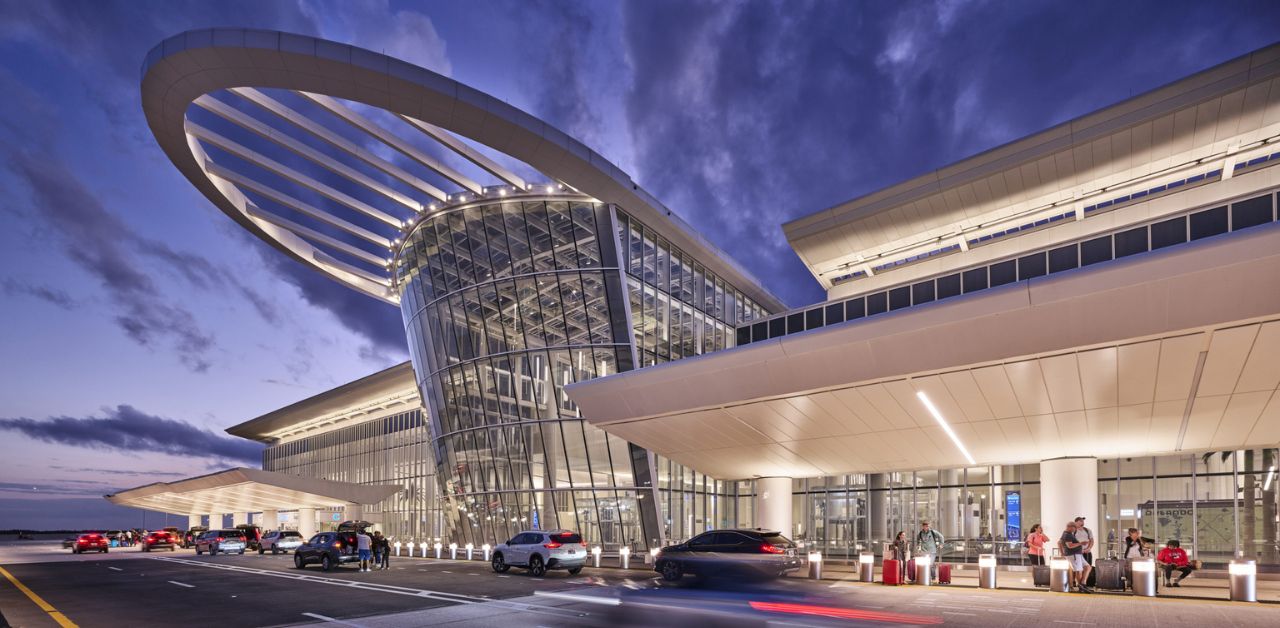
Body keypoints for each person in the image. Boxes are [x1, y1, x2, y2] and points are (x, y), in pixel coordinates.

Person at [1058, 521, 1093, 593]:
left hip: (1077, 554)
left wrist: (1062, 553)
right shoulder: (1067, 535)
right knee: (1078, 570)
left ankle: (1082, 583)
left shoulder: (1067, 534)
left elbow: (1059, 543)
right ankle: (1081, 586)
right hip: (1073, 554)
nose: (1076, 529)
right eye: (1075, 528)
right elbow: (1069, 546)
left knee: (1088, 567)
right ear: (1070, 527)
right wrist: (1081, 543)